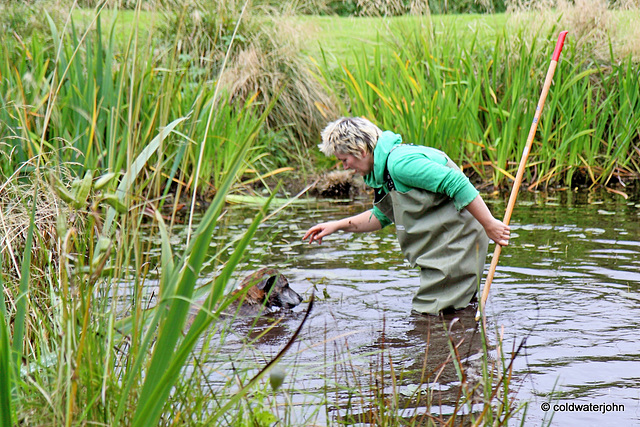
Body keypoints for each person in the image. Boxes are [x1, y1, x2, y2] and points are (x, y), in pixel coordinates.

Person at [302, 117, 510, 315]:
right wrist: (336, 226)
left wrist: (490, 224)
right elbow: (381, 216)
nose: (345, 167)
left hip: (459, 239)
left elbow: (456, 182)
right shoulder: (383, 172)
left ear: (361, 150)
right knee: (450, 310)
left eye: (344, 160)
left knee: (430, 315)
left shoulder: (400, 164)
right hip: (444, 241)